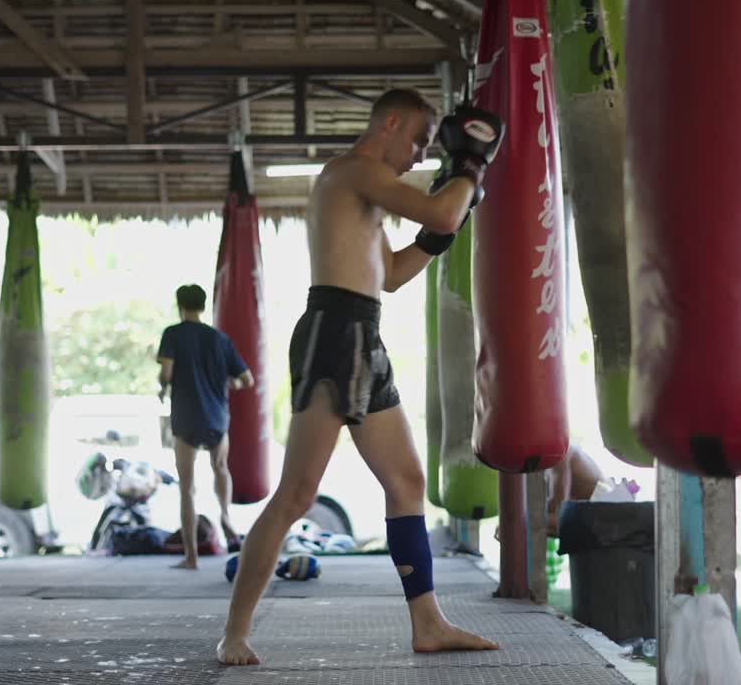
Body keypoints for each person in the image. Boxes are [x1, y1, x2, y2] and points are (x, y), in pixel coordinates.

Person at [216, 88, 504, 666]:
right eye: (419, 140)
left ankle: (428, 623)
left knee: (408, 482)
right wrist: (467, 169)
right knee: (297, 495)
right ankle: (235, 632)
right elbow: (441, 208)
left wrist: (442, 227)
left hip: (362, 333)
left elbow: (393, 273)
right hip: (334, 331)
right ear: (390, 123)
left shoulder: (367, 197)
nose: (422, 153)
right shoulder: (350, 172)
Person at [157, 283, 255, 570]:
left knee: (187, 488)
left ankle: (191, 557)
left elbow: (166, 372)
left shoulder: (172, 334)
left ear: (180, 305)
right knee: (220, 468)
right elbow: (246, 379)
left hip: (186, 416)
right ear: (203, 305)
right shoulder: (219, 339)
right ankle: (225, 515)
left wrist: (163, 386)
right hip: (216, 416)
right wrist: (230, 381)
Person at [546, 443, 607, 537]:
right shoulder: (564, 450)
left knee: (536, 520)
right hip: (595, 509)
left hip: (604, 509)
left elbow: (558, 509)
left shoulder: (560, 451)